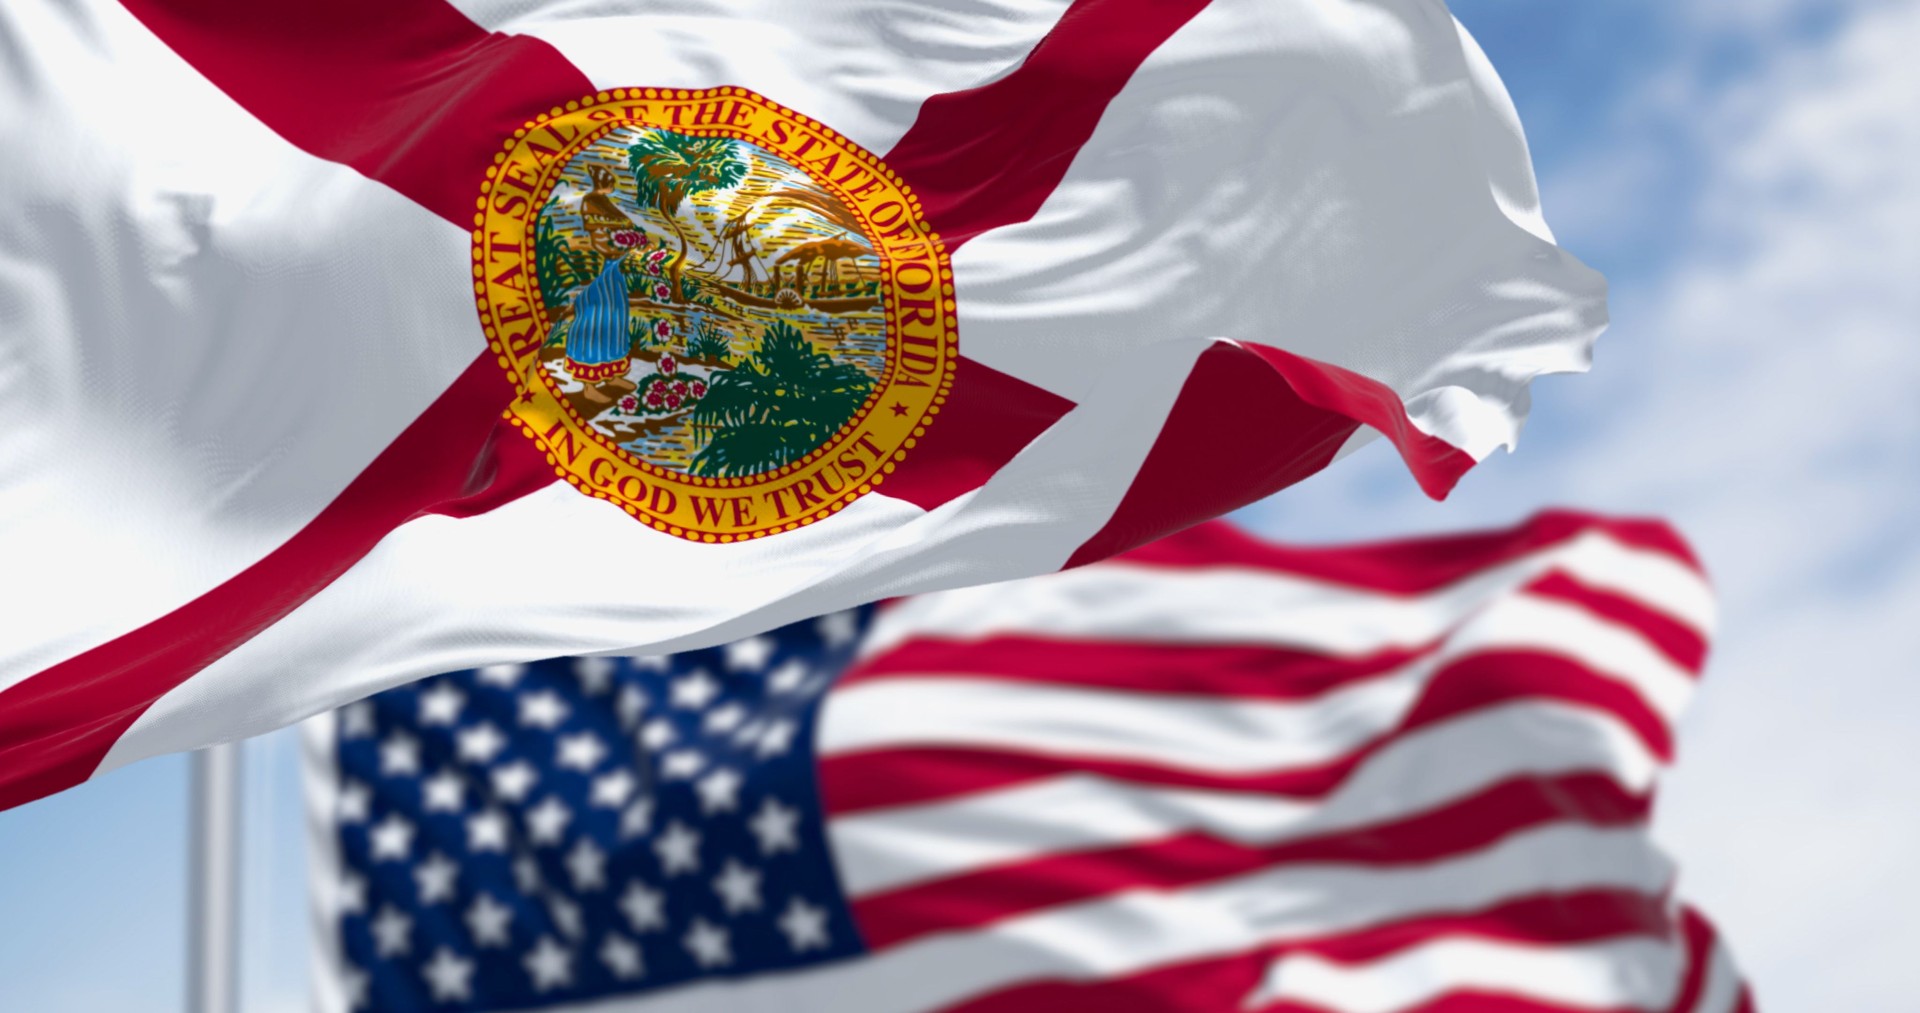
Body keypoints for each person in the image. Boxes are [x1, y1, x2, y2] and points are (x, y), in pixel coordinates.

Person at [566, 227, 642, 403]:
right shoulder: (595, 225)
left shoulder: (616, 218)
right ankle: (589, 386)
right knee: (593, 326)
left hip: (613, 279)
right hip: (597, 284)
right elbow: (602, 245)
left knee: (615, 324)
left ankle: (612, 377)